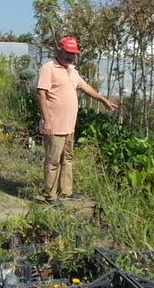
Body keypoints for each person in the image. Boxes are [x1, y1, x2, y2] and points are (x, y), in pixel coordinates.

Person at [36, 36, 118, 205]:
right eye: (68, 52)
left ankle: (66, 191)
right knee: (53, 161)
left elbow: (85, 86)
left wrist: (103, 100)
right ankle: (51, 196)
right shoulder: (48, 68)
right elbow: (41, 93)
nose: (71, 56)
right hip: (54, 126)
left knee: (67, 159)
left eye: (73, 53)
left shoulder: (72, 70)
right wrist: (47, 120)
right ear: (59, 49)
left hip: (69, 126)